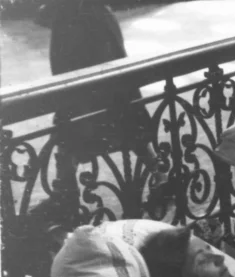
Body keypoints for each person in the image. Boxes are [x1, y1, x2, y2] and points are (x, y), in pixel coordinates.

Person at [36, 0, 172, 212]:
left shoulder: (72, 17)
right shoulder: (93, 13)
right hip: (98, 32)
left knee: (71, 124)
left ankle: (65, 193)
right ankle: (160, 175)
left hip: (81, 40)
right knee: (125, 118)